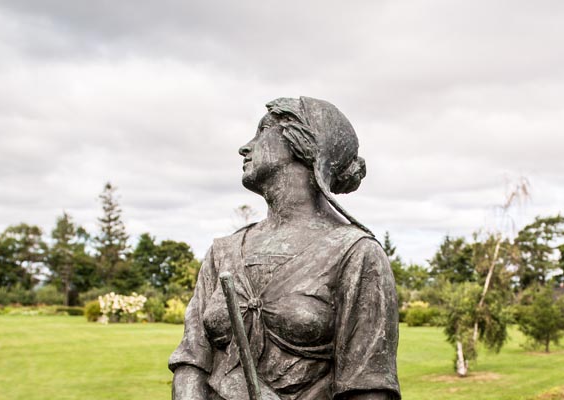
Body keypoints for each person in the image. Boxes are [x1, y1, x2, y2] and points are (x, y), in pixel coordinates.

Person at [169, 97, 400, 400]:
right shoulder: (222, 253)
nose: (245, 147)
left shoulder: (356, 253)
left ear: (301, 142)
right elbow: (191, 362)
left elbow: (368, 388)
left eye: (263, 130)